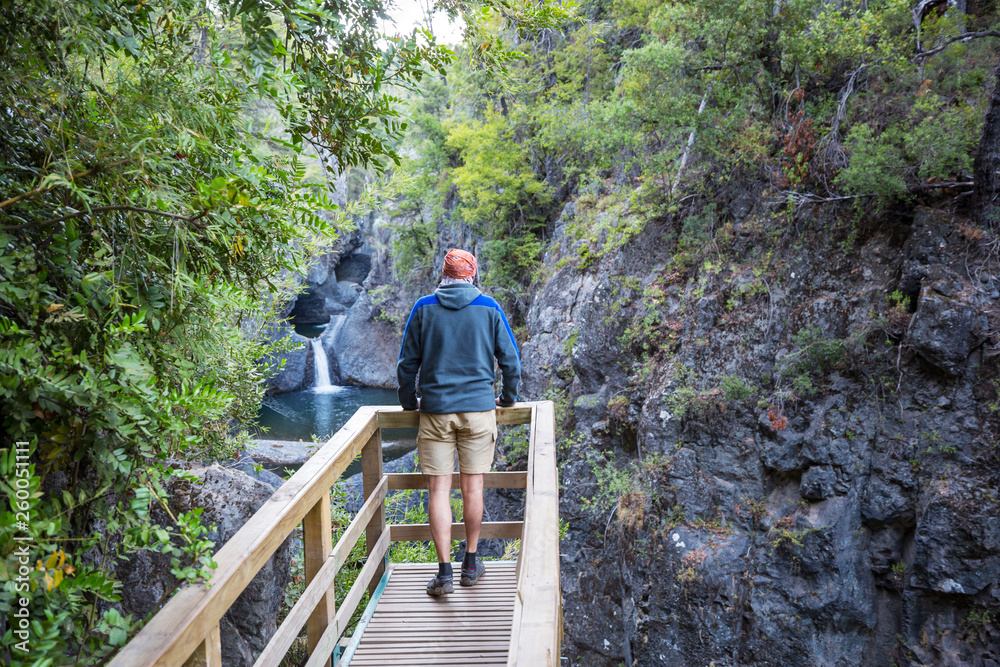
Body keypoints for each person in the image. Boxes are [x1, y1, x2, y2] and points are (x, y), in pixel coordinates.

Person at [396, 248, 521, 596]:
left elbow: (407, 365)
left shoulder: (423, 308)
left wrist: (409, 403)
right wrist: (507, 399)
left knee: (438, 490)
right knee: (473, 487)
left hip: (435, 411)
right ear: (472, 274)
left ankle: (444, 573)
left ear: (444, 273)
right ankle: (470, 562)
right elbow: (511, 363)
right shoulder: (490, 308)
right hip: (479, 411)